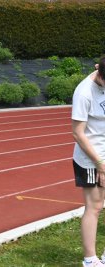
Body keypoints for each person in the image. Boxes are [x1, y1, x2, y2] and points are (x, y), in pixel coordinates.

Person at [72, 56, 105, 267]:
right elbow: (77, 133)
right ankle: (90, 260)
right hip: (91, 159)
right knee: (95, 206)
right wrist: (100, 164)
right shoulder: (84, 92)